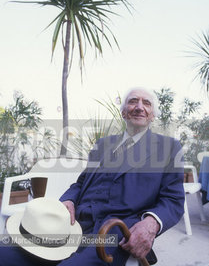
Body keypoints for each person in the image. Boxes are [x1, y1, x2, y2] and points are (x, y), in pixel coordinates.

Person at [0, 87, 185, 266]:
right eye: (133, 101)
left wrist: (151, 223)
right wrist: (69, 200)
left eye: (147, 103)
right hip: (74, 224)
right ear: (123, 112)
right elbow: (81, 183)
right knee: (5, 254)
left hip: (114, 231)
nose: (139, 106)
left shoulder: (169, 148)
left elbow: (173, 200)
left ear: (152, 115)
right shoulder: (103, 144)